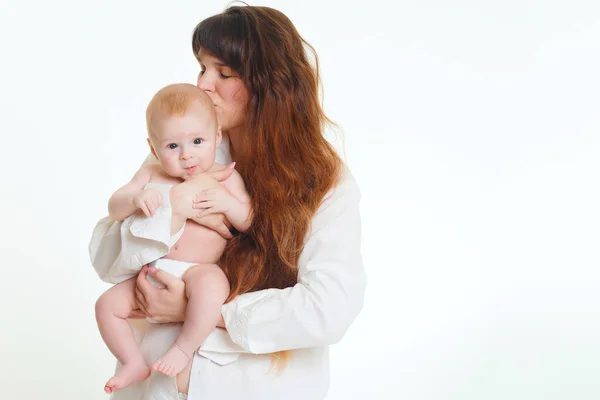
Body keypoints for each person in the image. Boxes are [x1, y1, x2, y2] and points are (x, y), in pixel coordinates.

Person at [89, 5, 366, 400]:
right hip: (157, 388)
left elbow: (329, 308)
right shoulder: (181, 153)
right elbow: (105, 260)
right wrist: (173, 208)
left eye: (224, 73)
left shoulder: (324, 181)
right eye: (202, 68)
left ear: (270, 85)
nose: (203, 85)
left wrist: (203, 312)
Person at [94, 83, 251, 394]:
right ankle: (132, 361)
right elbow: (114, 206)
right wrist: (136, 198)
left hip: (198, 269)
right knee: (106, 305)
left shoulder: (226, 176)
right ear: (154, 149)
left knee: (212, 287)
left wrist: (227, 204)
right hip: (153, 271)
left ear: (216, 137)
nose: (187, 155)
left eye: (197, 141)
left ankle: (183, 348)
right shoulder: (151, 174)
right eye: (172, 147)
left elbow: (248, 219)